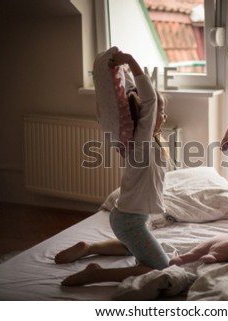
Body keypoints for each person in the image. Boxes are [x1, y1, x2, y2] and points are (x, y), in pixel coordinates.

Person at [54, 50, 170, 286]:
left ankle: (89, 247)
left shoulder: (146, 142)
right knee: (160, 268)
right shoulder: (140, 142)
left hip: (130, 217)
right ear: (144, 117)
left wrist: (123, 73)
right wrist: (130, 61)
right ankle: (95, 275)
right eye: (161, 112)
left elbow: (136, 98)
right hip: (129, 220)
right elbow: (148, 98)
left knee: (130, 248)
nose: (164, 116)